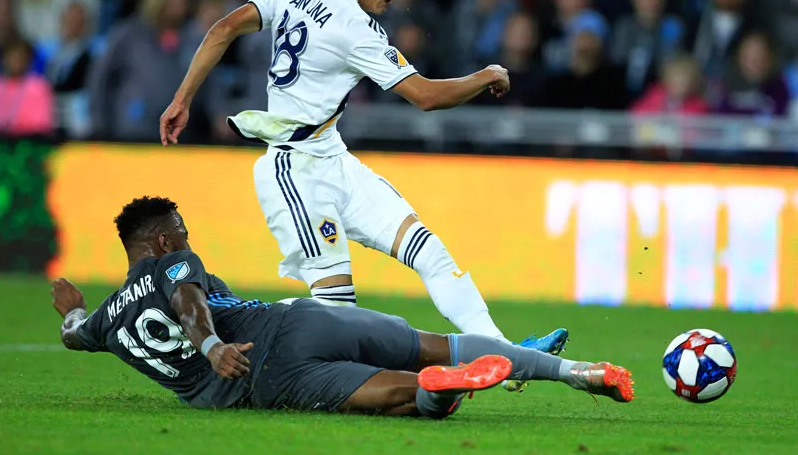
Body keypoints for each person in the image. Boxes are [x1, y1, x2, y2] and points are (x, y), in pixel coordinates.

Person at [159, 0, 568, 394]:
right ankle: (272, 363)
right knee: (340, 314)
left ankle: (503, 356)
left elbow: (224, 28)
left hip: (334, 158)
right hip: (294, 172)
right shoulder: (357, 30)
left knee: (429, 251)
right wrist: (486, 75)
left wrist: (182, 98)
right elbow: (425, 96)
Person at [51, 196, 635, 417]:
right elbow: (186, 300)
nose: (187, 236)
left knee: (398, 393)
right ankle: (575, 372)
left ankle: (436, 392)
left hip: (269, 385)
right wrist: (211, 342)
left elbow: (75, 335)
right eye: (181, 230)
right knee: (438, 343)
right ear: (161, 242)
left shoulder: (104, 321)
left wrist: (71, 312)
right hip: (291, 321)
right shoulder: (171, 264)